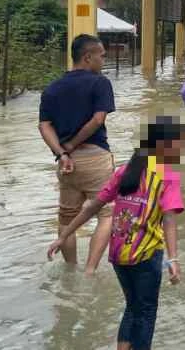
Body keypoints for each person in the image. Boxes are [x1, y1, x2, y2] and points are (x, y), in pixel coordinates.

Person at [48, 117, 185, 350]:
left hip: (119, 255)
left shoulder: (126, 170)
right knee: (146, 311)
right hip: (146, 254)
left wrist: (64, 235)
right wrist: (173, 259)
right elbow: (170, 220)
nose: (181, 149)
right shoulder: (167, 176)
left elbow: (92, 207)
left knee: (132, 306)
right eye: (178, 144)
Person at [37, 34, 116, 274]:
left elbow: (44, 125)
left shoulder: (52, 87)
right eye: (102, 56)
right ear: (87, 57)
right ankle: (90, 270)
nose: (104, 60)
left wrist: (62, 153)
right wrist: (71, 145)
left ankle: (70, 271)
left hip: (66, 164)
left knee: (66, 219)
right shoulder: (99, 82)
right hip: (94, 157)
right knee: (107, 214)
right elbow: (98, 119)